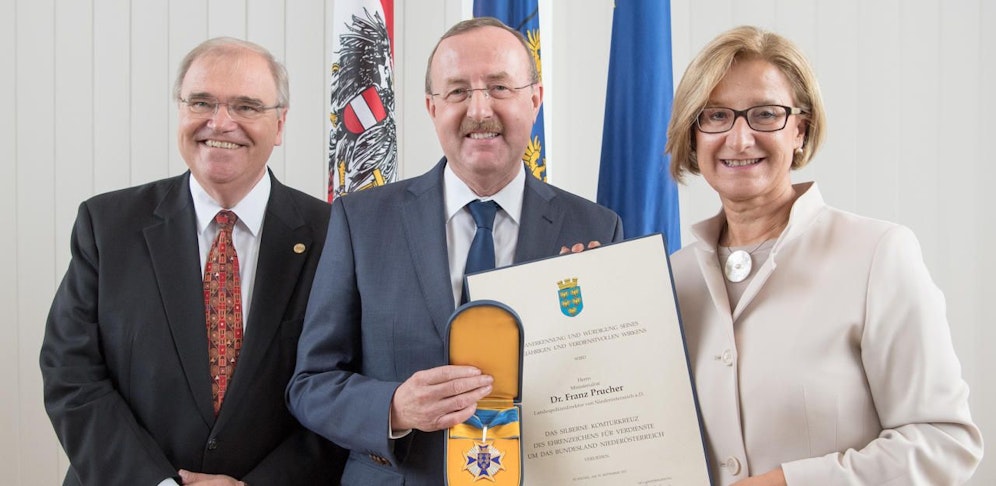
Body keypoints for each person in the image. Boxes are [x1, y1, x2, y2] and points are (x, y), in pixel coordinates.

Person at [286, 17, 623, 485]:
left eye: (499, 87)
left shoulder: (596, 228)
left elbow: (614, 383)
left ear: (535, 99)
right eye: (458, 91)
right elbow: (310, 385)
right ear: (431, 107)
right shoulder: (360, 221)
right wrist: (395, 407)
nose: (479, 110)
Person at [666, 26, 983, 485]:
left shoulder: (877, 255)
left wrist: (788, 482)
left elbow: (944, 442)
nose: (739, 139)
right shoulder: (671, 279)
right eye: (715, 116)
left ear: (801, 129)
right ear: (693, 135)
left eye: (765, 114)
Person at [40, 37, 345, 485]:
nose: (220, 123)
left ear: (279, 125)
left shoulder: (335, 235)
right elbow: (72, 377)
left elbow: (346, 385)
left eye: (246, 106)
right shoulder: (106, 226)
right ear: (180, 111)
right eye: (201, 101)